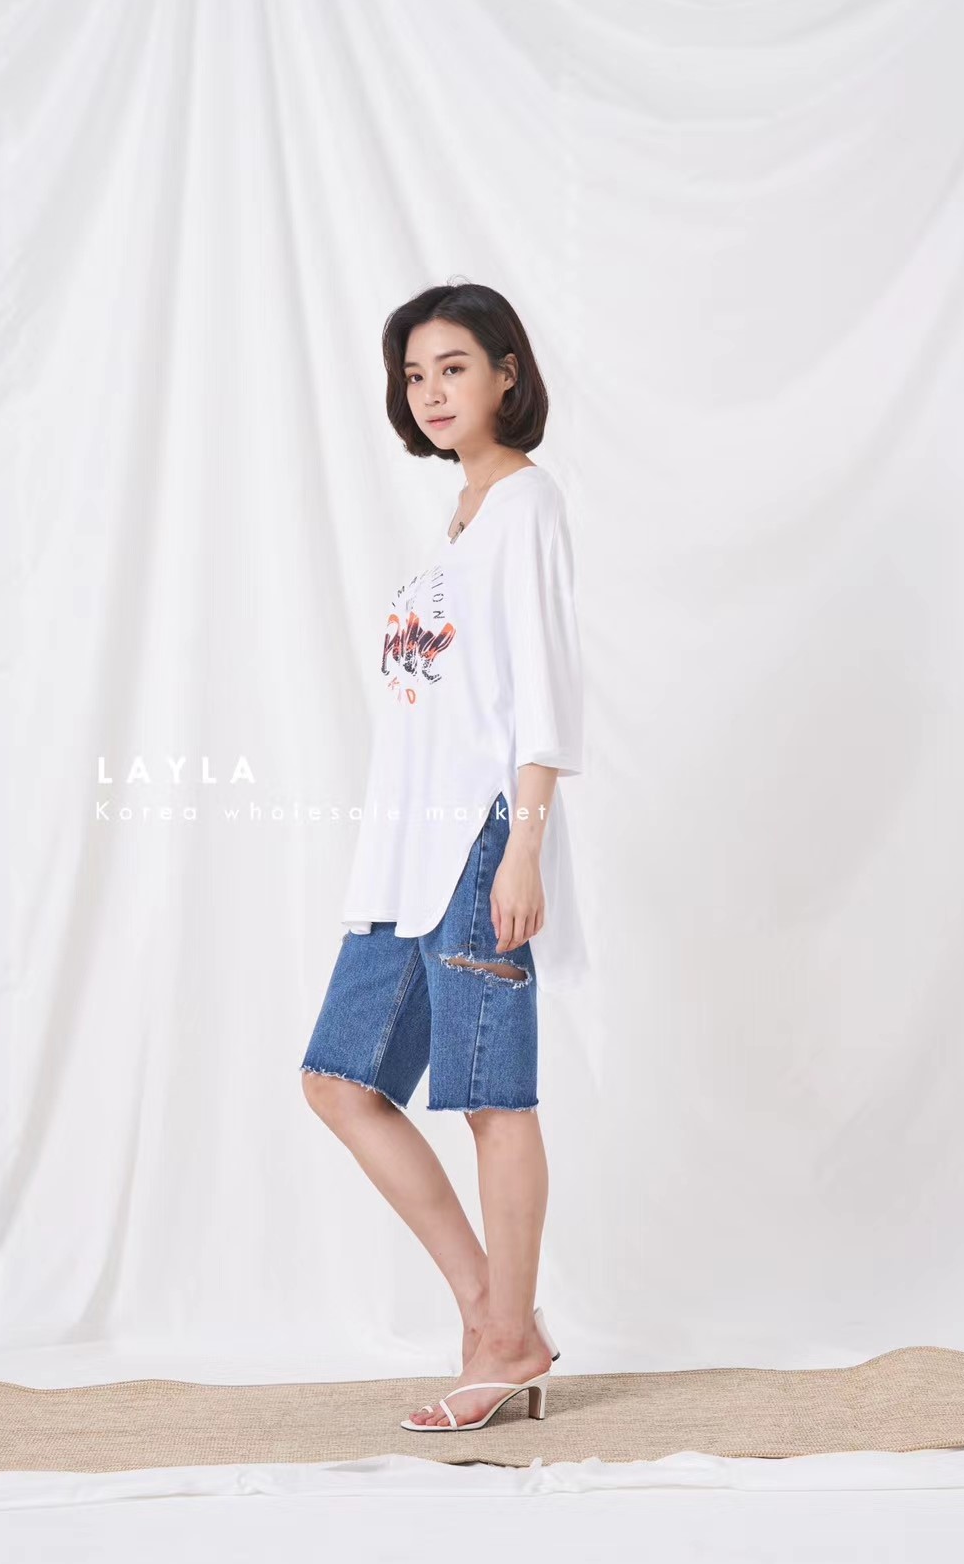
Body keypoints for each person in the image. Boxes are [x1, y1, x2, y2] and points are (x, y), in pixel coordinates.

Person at [299, 281, 587, 1431]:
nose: (429, 391)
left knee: (490, 1098)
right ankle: (493, 1315)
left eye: (453, 367)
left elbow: (547, 693)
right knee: (338, 1079)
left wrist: (525, 849)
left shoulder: (526, 505)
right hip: (402, 857)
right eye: (415, 374)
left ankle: (505, 1334)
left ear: (508, 373)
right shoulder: (459, 522)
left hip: (479, 841)